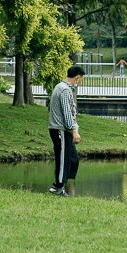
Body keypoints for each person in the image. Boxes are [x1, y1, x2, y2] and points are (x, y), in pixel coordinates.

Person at [48, 65, 84, 195]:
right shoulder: (64, 90)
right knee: (63, 159)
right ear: (77, 78)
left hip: (62, 130)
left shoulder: (61, 87)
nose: (81, 82)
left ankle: (60, 185)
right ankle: (57, 187)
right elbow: (67, 113)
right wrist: (74, 131)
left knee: (73, 158)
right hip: (60, 130)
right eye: (81, 80)